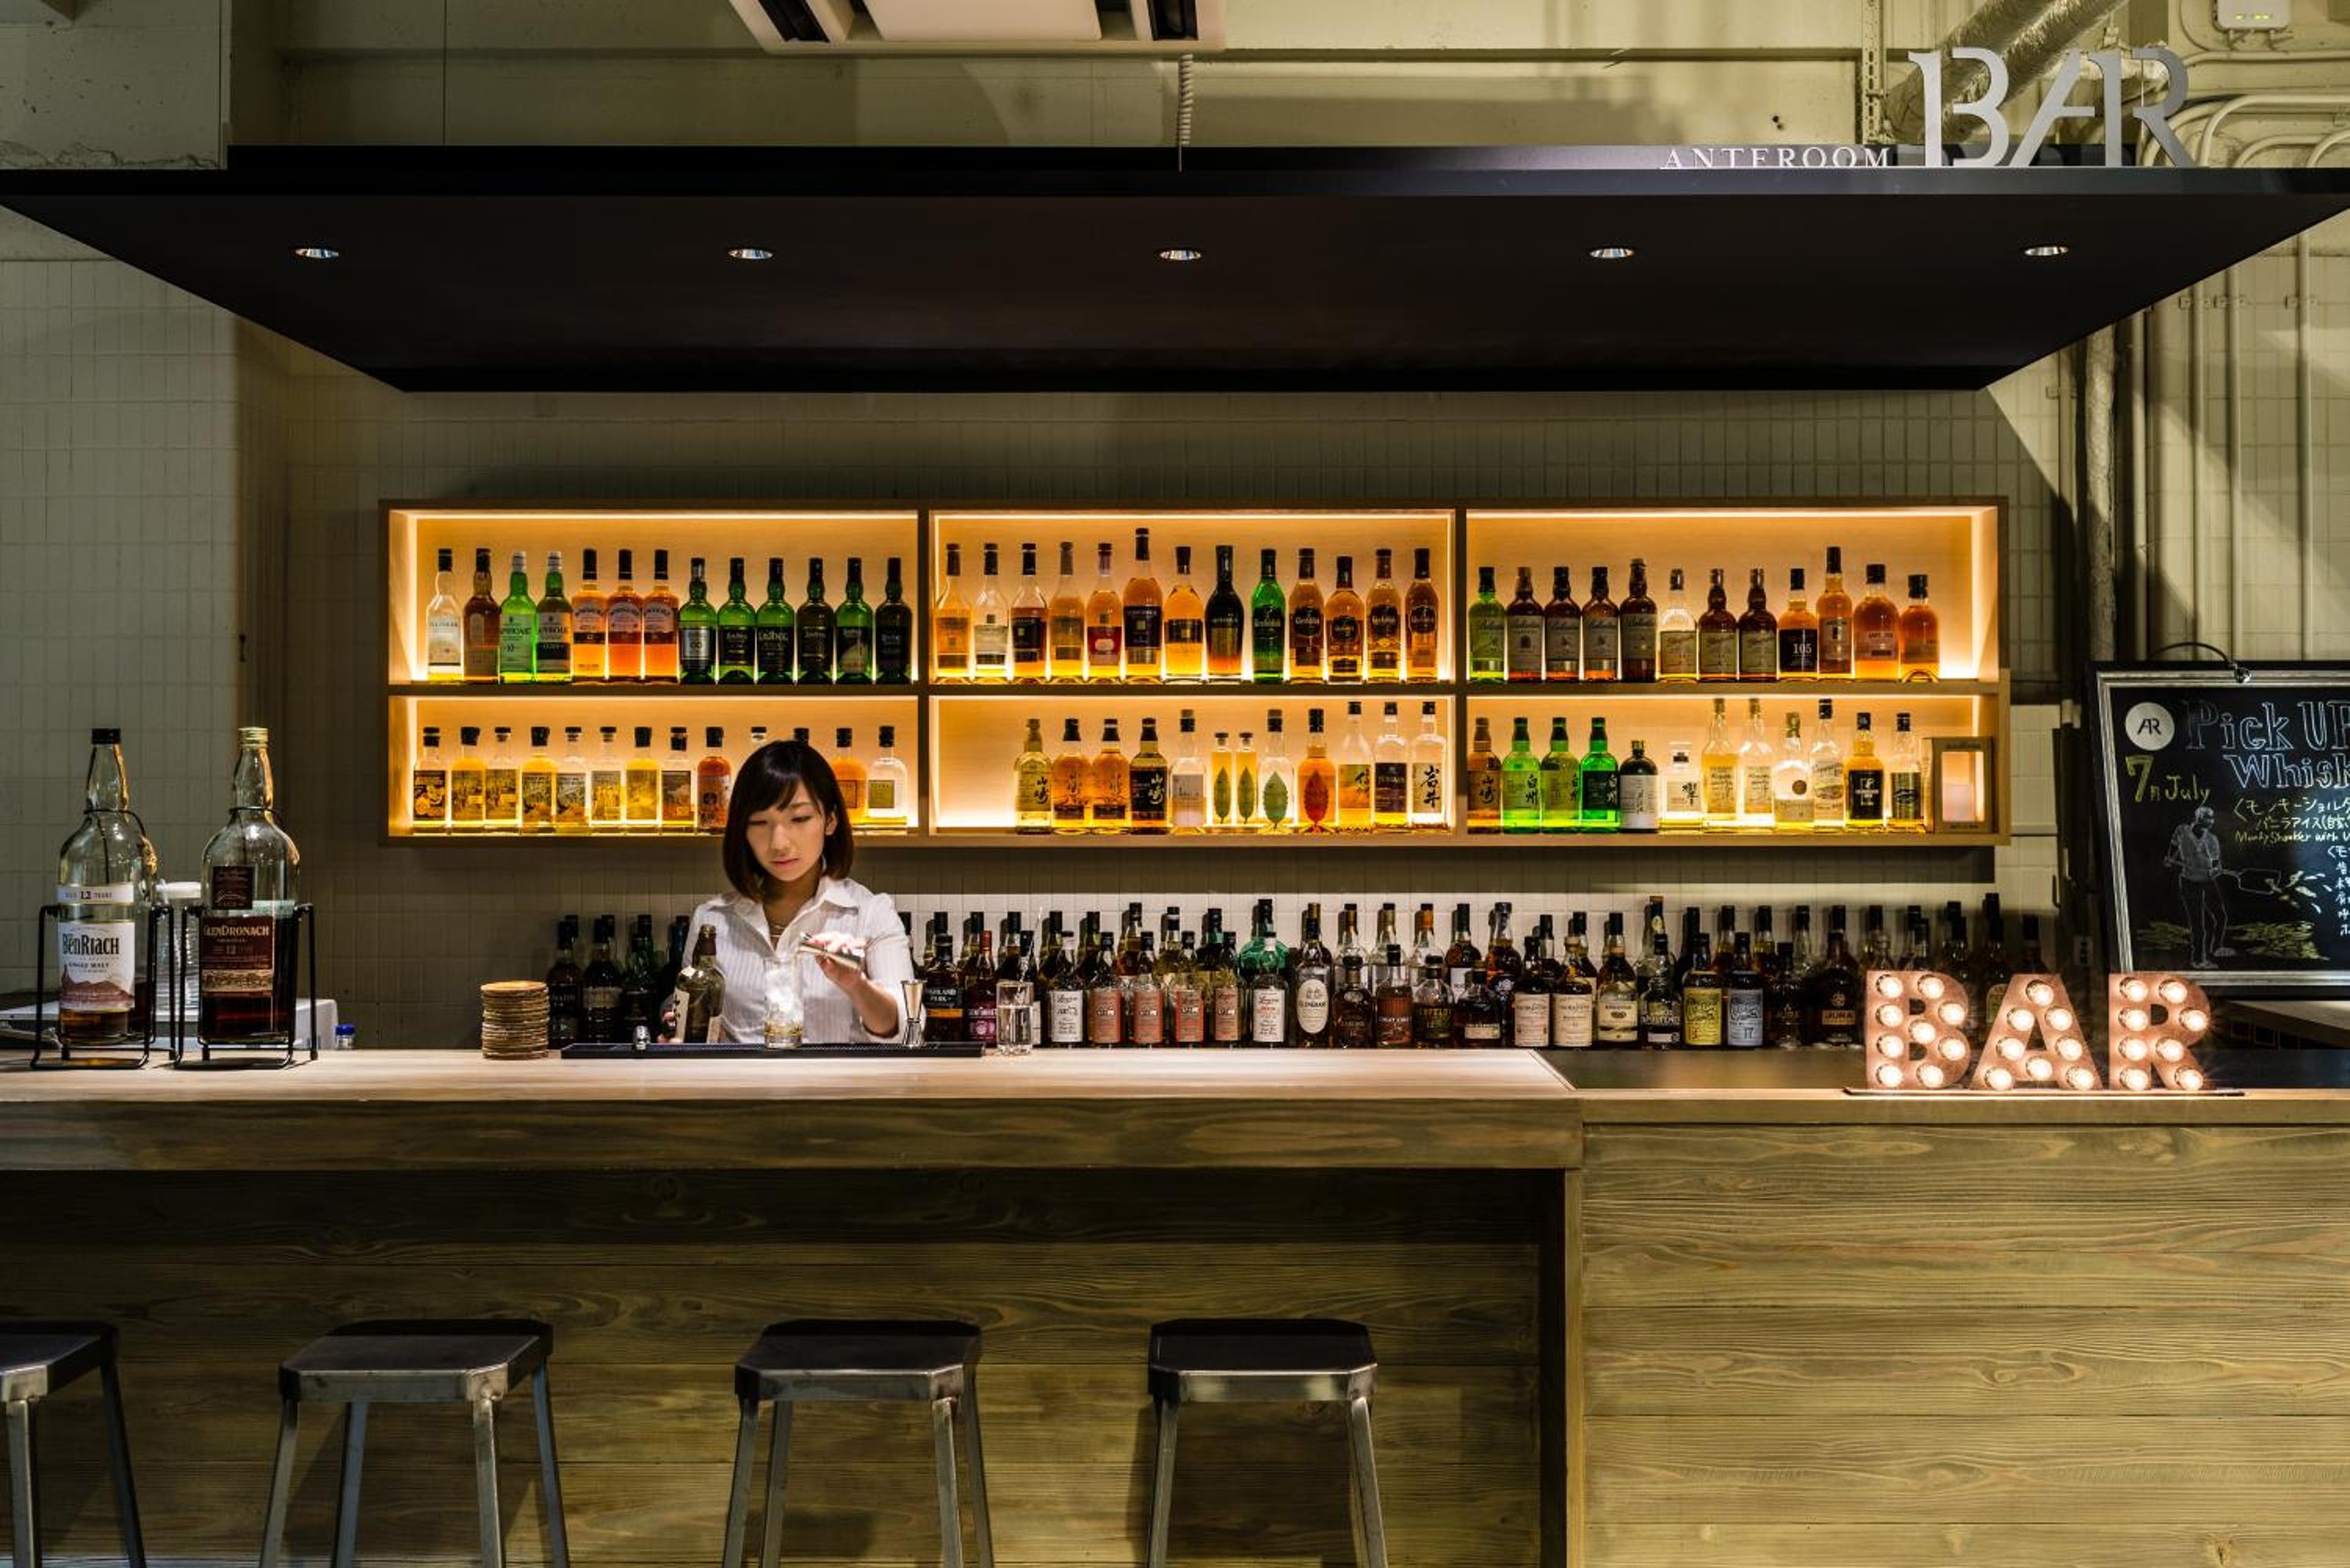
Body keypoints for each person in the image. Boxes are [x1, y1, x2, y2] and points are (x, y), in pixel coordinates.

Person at [687, 738, 915, 1044]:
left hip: (840, 1078)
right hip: (741, 1077)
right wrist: (683, 1033)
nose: (779, 843)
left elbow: (905, 1027)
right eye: (759, 822)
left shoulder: (871, 914)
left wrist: (856, 984)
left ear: (830, 820)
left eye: (799, 819)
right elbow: (699, 1030)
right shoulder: (711, 921)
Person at [2164, 803, 2229, 969]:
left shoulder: (2212, 840)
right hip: (2189, 881)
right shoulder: (2182, 830)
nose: (2212, 821)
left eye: (2212, 818)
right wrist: (2170, 858)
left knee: (2221, 916)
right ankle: (2198, 960)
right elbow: (2174, 845)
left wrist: (2216, 870)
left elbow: (2215, 863)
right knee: (2198, 924)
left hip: (2207, 880)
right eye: (2208, 818)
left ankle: (2216, 948)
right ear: (2199, 818)